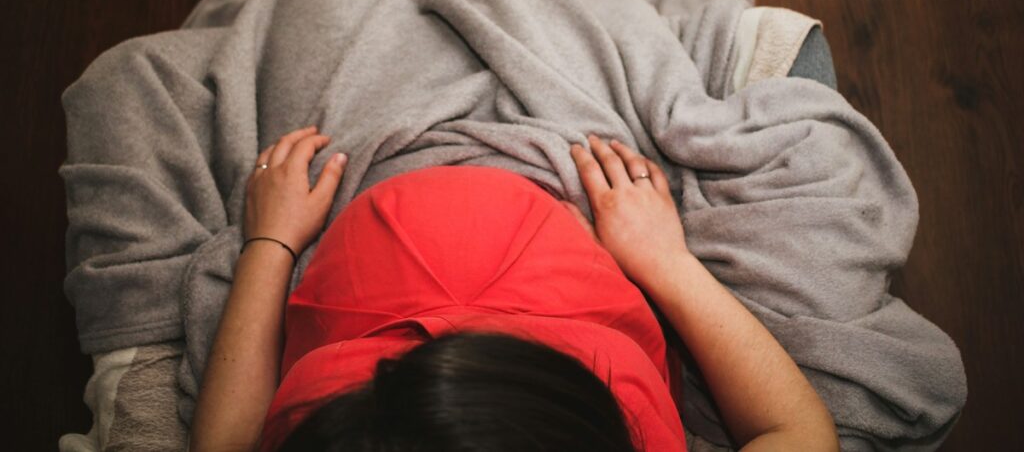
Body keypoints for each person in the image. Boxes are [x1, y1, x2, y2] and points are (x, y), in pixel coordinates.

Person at [188, 125, 840, 451]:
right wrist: (667, 262)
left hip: (366, 260)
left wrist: (269, 243)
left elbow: (225, 445)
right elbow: (798, 430)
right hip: (571, 268)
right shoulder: (619, 411)